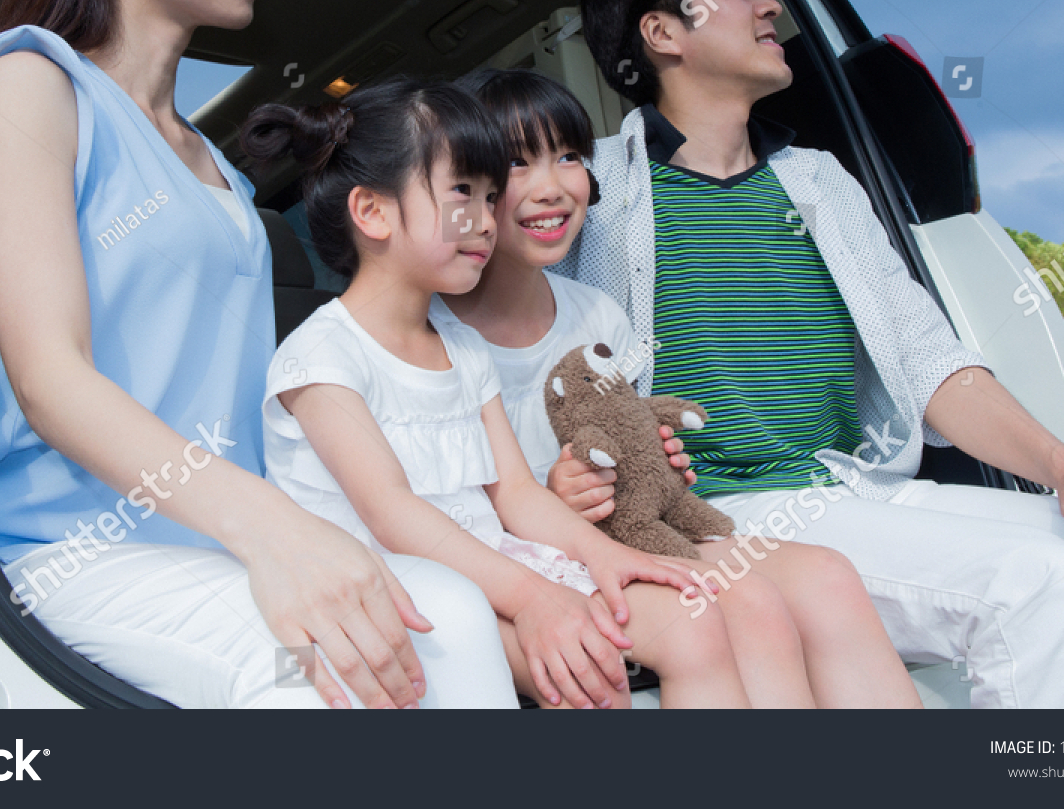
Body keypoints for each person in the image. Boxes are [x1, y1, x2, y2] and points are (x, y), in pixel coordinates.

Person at [0, 0, 517, 710]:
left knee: (454, 615)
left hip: (209, 541)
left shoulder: (218, 173)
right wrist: (274, 531)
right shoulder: (31, 87)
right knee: (320, 676)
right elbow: (51, 378)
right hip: (61, 549)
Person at [557, 0, 1064, 707]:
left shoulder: (819, 182)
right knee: (1036, 583)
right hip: (736, 515)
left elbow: (930, 360)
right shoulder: (593, 191)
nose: (771, 8)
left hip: (856, 487)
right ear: (661, 32)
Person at [244, 76, 777, 709]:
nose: (487, 218)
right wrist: (534, 599)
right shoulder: (321, 358)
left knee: (699, 620)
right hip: (405, 587)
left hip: (492, 565)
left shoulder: (457, 341)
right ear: (373, 213)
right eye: (463, 192)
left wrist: (600, 556)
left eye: (491, 194)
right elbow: (392, 515)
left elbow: (516, 490)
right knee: (594, 668)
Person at [433, 67, 921, 707]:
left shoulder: (597, 315)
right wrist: (560, 491)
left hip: (622, 534)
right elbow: (450, 503)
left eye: (570, 156)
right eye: (517, 165)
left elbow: (623, 436)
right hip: (525, 556)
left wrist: (654, 462)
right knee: (737, 605)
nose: (551, 188)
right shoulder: (437, 332)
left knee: (826, 576)